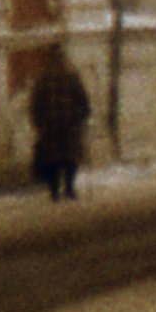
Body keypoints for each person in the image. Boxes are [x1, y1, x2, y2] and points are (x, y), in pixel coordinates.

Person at [25, 51, 94, 201]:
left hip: (50, 126)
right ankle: (69, 188)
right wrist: (84, 115)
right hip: (70, 125)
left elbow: (35, 103)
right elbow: (83, 99)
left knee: (53, 160)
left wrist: (38, 122)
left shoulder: (42, 79)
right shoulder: (72, 78)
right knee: (70, 159)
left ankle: (54, 191)